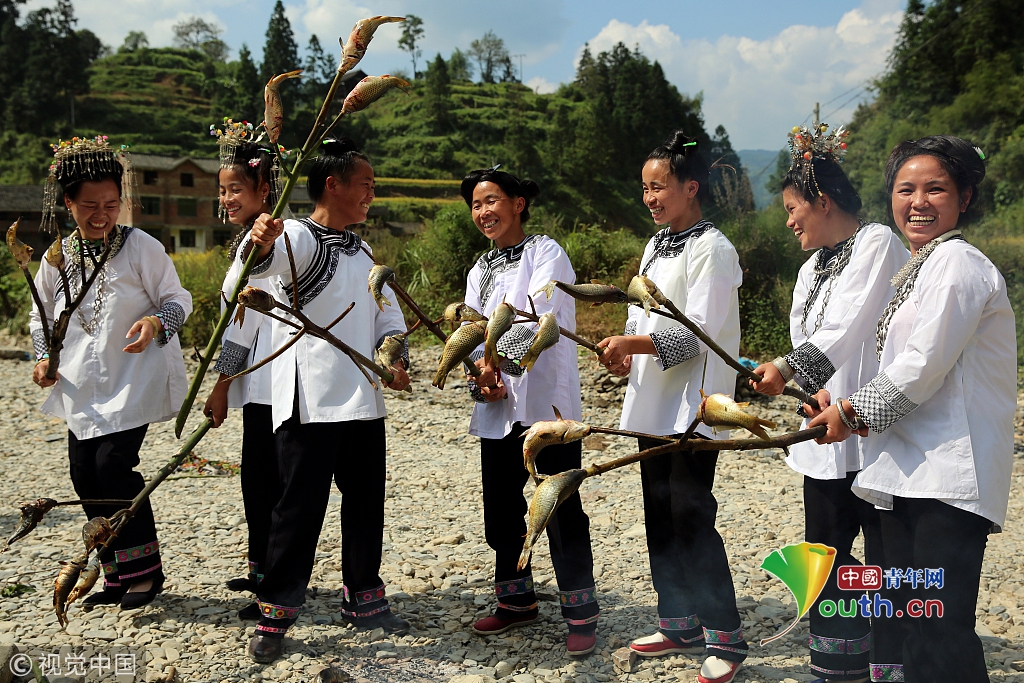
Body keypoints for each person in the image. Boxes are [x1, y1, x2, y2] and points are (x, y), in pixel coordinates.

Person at [807, 135, 1016, 683]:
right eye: (905, 189)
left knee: (941, 627)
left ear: (964, 198)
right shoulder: (923, 265)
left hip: (950, 472)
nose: (918, 202)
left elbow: (923, 365)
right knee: (913, 616)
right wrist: (836, 399)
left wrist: (851, 413)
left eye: (935, 189)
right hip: (908, 467)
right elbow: (899, 363)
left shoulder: (958, 264)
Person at [240, 139, 411, 664]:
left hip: (364, 396)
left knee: (365, 503)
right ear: (332, 185)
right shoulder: (295, 235)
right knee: (298, 509)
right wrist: (260, 243)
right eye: (366, 185)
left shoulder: (363, 251)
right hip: (310, 399)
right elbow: (260, 269)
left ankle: (364, 598)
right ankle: (276, 613)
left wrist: (393, 354)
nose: (371, 195)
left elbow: (386, 314)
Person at [750, 124, 908, 683]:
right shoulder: (808, 268)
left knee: (886, 556)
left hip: (872, 429)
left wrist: (790, 366)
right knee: (825, 549)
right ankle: (837, 661)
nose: (788, 221)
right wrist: (806, 386)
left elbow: (851, 324)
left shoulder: (877, 243)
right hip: (824, 431)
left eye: (793, 209)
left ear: (822, 201)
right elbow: (808, 337)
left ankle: (891, 662)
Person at [597, 131, 746, 683]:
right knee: (658, 513)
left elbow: (697, 335)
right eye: (645, 188)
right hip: (651, 400)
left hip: (694, 405)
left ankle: (725, 635)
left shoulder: (714, 249)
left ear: (691, 187)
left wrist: (632, 344)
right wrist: (625, 353)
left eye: (659, 187)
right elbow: (640, 317)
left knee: (690, 515)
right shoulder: (657, 244)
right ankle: (678, 620)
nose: (650, 198)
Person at [29, 135, 192, 610]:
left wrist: (155, 322)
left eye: (111, 205)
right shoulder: (56, 256)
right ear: (68, 203)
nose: (101, 215)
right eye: (89, 206)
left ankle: (146, 574)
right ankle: (116, 572)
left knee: (112, 466)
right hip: (81, 383)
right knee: (84, 473)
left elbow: (177, 299)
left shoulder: (140, 247)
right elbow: (41, 315)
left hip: (133, 377)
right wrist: (43, 357)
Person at [460, 168, 600, 656]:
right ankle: (516, 601)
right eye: (476, 205)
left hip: (547, 406)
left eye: (492, 200)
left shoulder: (546, 252)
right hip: (498, 408)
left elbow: (544, 320)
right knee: (501, 508)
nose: (484, 212)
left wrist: (495, 360)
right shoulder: (479, 269)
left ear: (518, 203)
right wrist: (480, 373)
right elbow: (472, 330)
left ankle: (581, 613)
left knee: (559, 508)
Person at [201, 121, 281, 621]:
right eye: (223, 191)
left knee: (270, 483)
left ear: (263, 190)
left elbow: (244, 322)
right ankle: (261, 571)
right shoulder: (245, 243)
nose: (227, 199)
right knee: (256, 480)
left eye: (236, 189)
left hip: (277, 384)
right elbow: (238, 324)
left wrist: (220, 385)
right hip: (257, 385)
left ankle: (276, 581)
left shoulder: (272, 241)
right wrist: (228, 384)